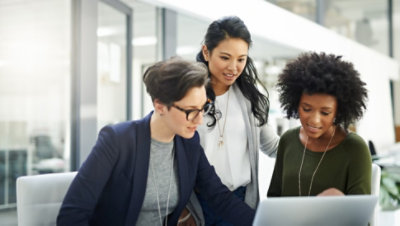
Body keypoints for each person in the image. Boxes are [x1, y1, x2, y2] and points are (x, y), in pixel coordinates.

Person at [57, 58, 255, 226]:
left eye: (203, 108)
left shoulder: (189, 143)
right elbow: (72, 214)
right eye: (190, 111)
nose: (199, 119)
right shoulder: (117, 140)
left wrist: (264, 222)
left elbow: (218, 196)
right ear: (160, 105)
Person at [181, 16, 279, 226]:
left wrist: (315, 139)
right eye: (225, 57)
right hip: (198, 204)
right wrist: (182, 211)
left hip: (241, 200)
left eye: (241, 59)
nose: (233, 67)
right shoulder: (188, 96)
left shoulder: (251, 97)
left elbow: (272, 146)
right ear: (206, 52)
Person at [267, 52, 371, 197]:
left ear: (338, 111)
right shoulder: (287, 140)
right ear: (296, 104)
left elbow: (359, 215)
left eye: (325, 112)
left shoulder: (355, 148)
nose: (314, 120)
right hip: (287, 221)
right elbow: (274, 198)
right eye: (307, 109)